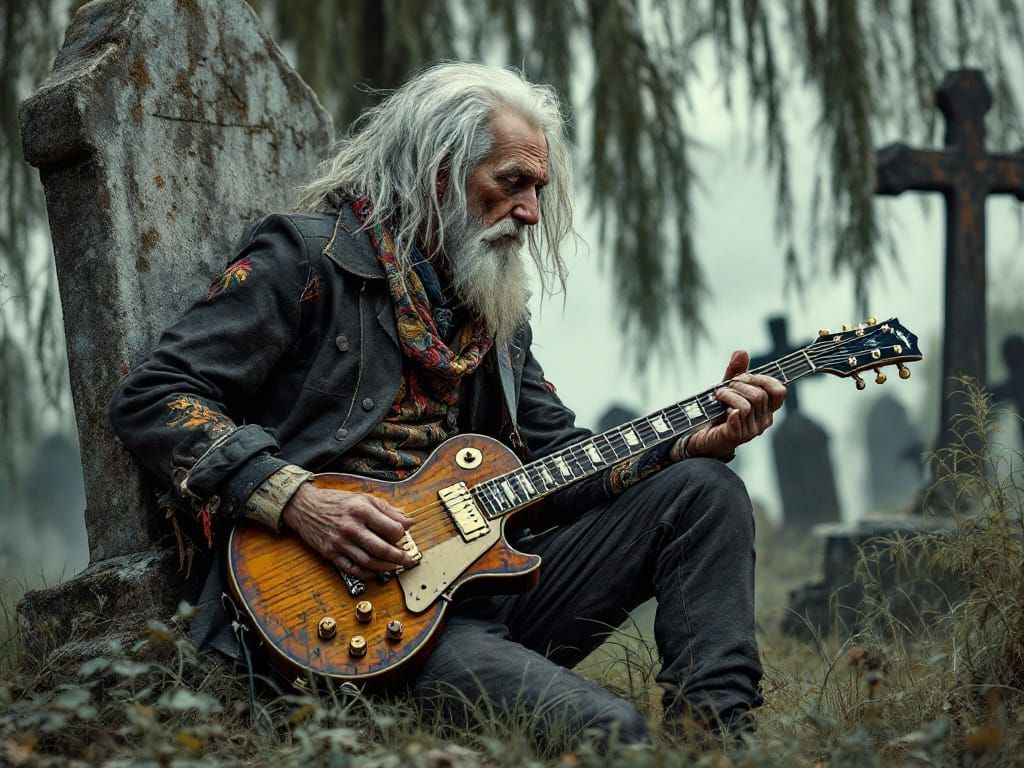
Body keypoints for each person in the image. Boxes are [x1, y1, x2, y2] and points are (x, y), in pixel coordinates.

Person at [109, 62, 786, 747]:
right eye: (510, 183)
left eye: (537, 190)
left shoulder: (493, 312)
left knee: (703, 490)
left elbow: (556, 464)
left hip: (487, 589)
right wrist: (298, 500)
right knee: (612, 733)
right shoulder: (307, 259)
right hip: (343, 618)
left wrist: (685, 443)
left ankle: (717, 740)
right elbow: (157, 395)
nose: (528, 212)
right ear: (440, 171)